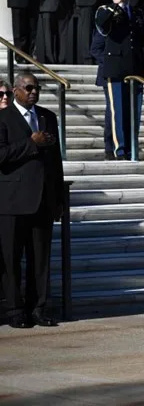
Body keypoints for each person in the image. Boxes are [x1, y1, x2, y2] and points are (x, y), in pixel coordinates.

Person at [0, 72, 66, 328]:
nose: (33, 92)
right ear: (15, 91)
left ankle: (38, 307)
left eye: (36, 88)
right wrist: (30, 143)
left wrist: (58, 198)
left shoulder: (47, 117)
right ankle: (15, 309)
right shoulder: (4, 118)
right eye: (28, 88)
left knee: (40, 259)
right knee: (11, 258)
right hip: (12, 201)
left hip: (43, 200)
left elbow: (56, 161)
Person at [96, 0, 144, 160]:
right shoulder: (105, 9)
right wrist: (114, 5)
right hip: (116, 67)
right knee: (118, 110)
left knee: (133, 111)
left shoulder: (136, 12)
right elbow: (102, 24)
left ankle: (132, 146)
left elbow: (141, 40)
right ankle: (120, 148)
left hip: (134, 68)